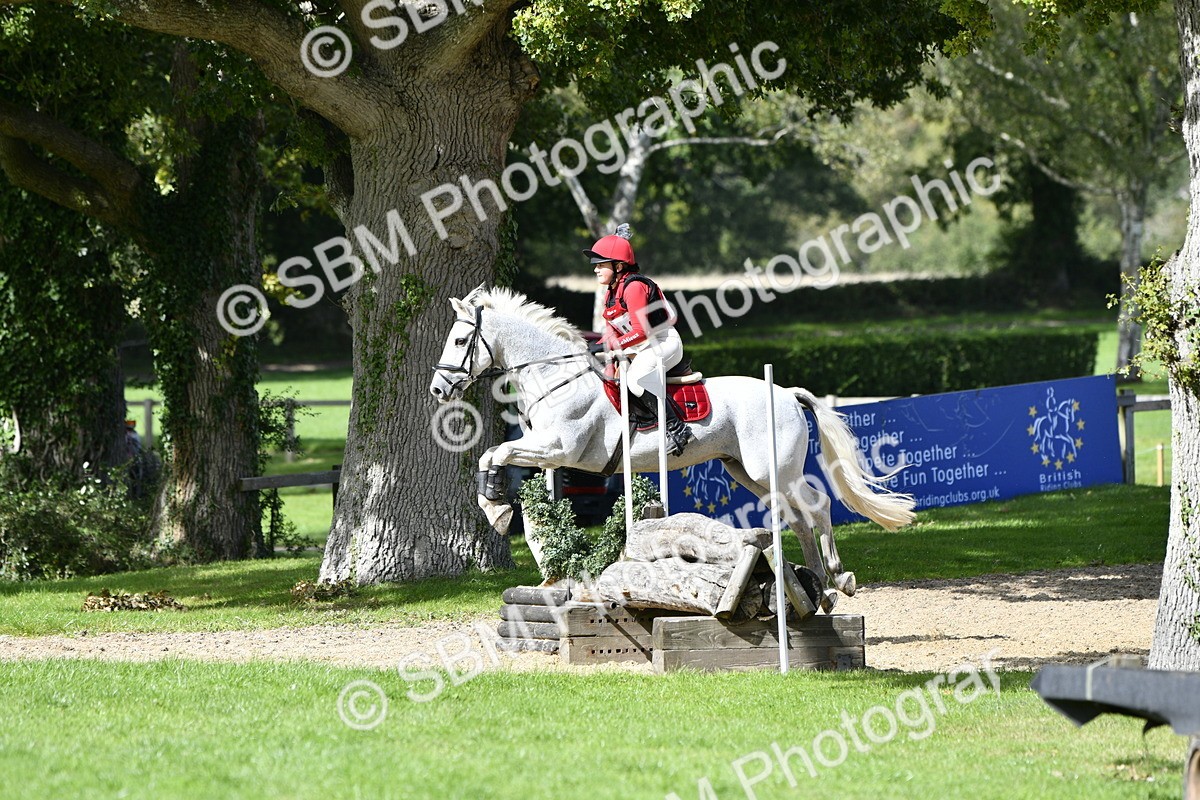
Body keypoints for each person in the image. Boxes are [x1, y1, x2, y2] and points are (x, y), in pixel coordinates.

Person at [583, 224, 693, 456]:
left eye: (601, 264)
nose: (596, 270)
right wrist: (609, 357)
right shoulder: (612, 293)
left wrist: (613, 347)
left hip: (663, 342)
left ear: (618, 265)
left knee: (636, 380)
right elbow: (611, 331)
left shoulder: (634, 287)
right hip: (640, 348)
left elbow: (641, 332)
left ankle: (678, 429)